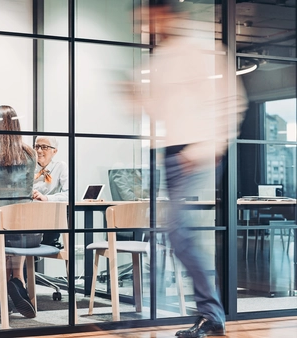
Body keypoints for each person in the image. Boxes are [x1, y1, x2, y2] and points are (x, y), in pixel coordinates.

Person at [128, 2, 248, 337]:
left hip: (196, 152)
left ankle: (212, 314)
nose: (146, 27)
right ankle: (210, 313)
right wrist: (135, 98)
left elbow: (232, 101)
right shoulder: (160, 59)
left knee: (179, 231)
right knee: (178, 236)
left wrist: (206, 148)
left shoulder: (202, 49)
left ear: (165, 14)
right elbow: (160, 111)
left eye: (149, 19)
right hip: (170, 154)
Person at [0, 105, 41, 319]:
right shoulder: (30, 152)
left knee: (2, 235)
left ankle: (1, 294)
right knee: (17, 232)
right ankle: (18, 280)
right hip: (31, 230)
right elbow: (29, 189)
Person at [32, 136, 69, 202]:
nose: (39, 150)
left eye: (44, 147)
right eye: (37, 146)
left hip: (53, 209)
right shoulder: (28, 167)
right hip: (29, 209)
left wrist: (46, 198)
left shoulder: (60, 167)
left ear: (54, 151)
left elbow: (69, 195)